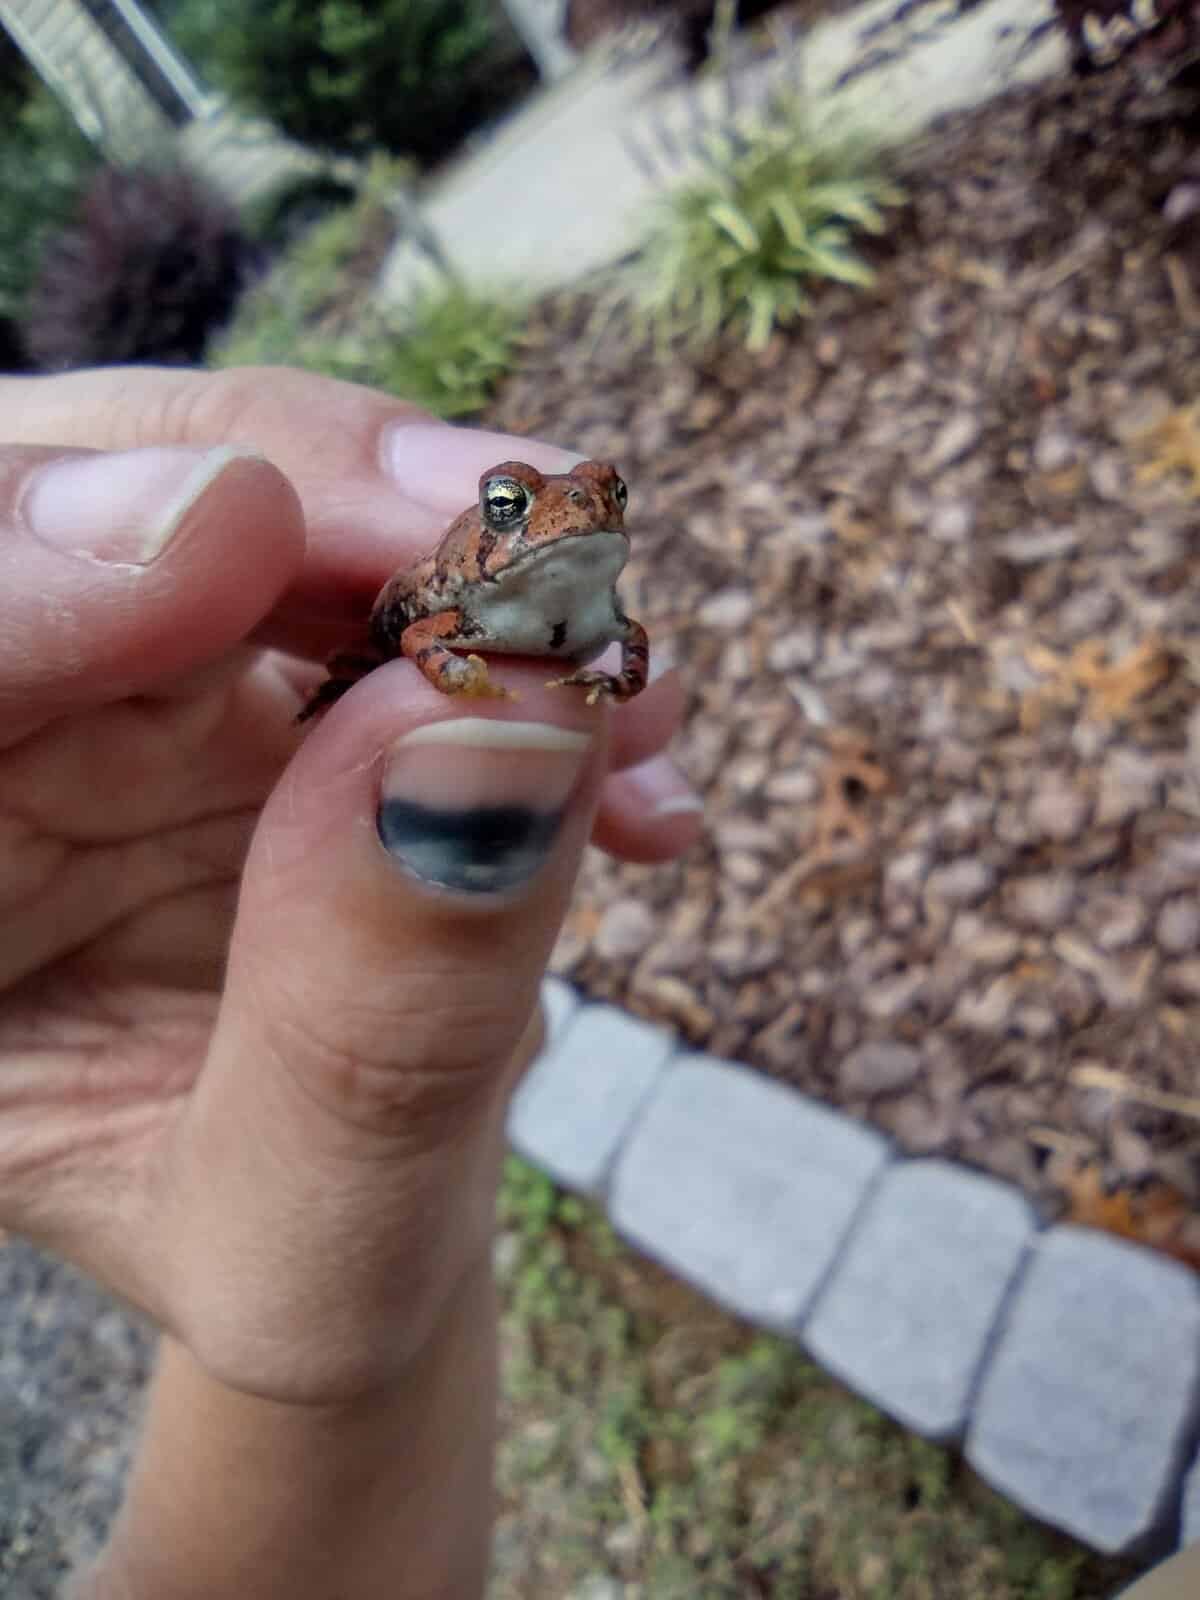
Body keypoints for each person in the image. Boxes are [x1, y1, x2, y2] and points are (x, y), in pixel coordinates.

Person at [0, 364, 702, 1600]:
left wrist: (599, 681)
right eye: (514, 504)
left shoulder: (598, 604)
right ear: (489, 527)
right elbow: (423, 632)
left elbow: (627, 650)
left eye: (603, 498)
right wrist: (460, 671)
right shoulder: (458, 588)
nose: (575, 513)